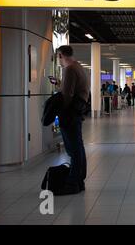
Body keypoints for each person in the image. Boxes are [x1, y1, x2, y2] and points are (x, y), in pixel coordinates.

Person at [55, 45, 89, 194]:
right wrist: (60, 84)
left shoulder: (69, 69)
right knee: (78, 147)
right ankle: (79, 180)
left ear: (61, 55)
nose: (59, 60)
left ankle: (72, 183)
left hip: (70, 113)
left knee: (73, 149)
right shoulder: (79, 67)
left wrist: (60, 110)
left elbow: (67, 95)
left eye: (58, 57)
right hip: (78, 111)